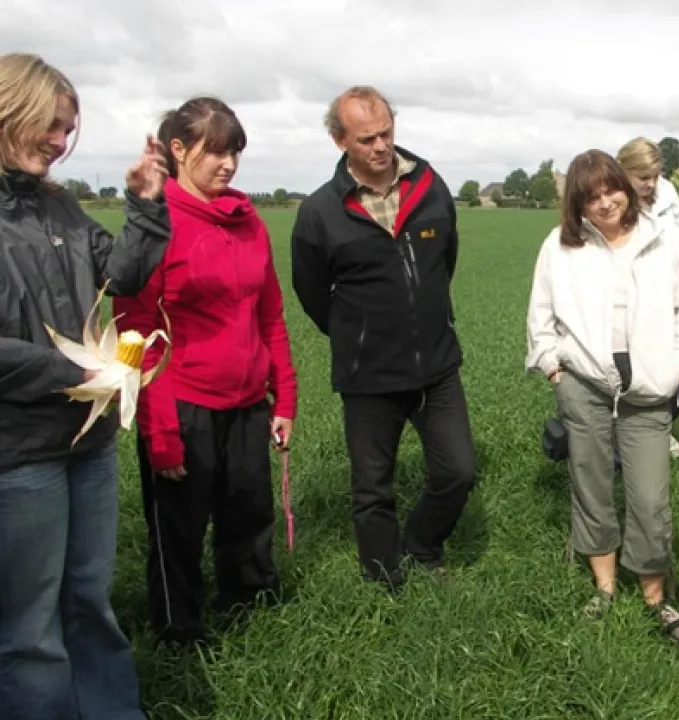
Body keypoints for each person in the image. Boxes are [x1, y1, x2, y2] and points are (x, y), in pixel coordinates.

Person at [0, 52, 170, 719]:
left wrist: (144, 205)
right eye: (51, 125)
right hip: (18, 455)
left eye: (68, 129)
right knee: (30, 631)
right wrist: (77, 372)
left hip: (89, 444)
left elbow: (123, 273)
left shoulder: (58, 206)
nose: (60, 141)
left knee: (89, 602)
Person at [113, 97, 298, 646]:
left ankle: (251, 611)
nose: (229, 165)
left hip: (245, 402)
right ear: (178, 149)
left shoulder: (249, 223)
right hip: (183, 403)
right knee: (178, 528)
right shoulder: (158, 225)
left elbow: (271, 316)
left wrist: (283, 398)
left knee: (248, 515)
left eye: (234, 152)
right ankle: (179, 631)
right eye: (216, 151)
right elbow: (137, 336)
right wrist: (161, 432)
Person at [291, 86, 476, 591]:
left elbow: (444, 262)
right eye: (367, 138)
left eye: (387, 133)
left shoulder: (430, 186)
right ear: (339, 141)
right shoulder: (320, 212)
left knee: (458, 471)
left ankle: (421, 546)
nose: (381, 146)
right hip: (368, 374)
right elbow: (311, 292)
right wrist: (358, 334)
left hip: (436, 366)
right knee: (373, 488)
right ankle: (382, 582)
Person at [525, 149, 679, 644]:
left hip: (649, 388)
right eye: (592, 196)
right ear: (577, 204)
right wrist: (552, 365)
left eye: (612, 190)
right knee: (592, 487)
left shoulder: (664, 241)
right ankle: (604, 588)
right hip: (583, 385)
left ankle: (656, 596)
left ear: (626, 188)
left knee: (649, 498)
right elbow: (540, 314)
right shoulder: (559, 247)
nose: (606, 203)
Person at [617, 137, 679, 456]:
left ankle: (658, 427)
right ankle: (625, 438)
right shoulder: (611, 200)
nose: (651, 184)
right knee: (631, 373)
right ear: (625, 172)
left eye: (655, 176)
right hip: (630, 302)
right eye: (643, 178)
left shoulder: (667, 191)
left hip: (669, 297)